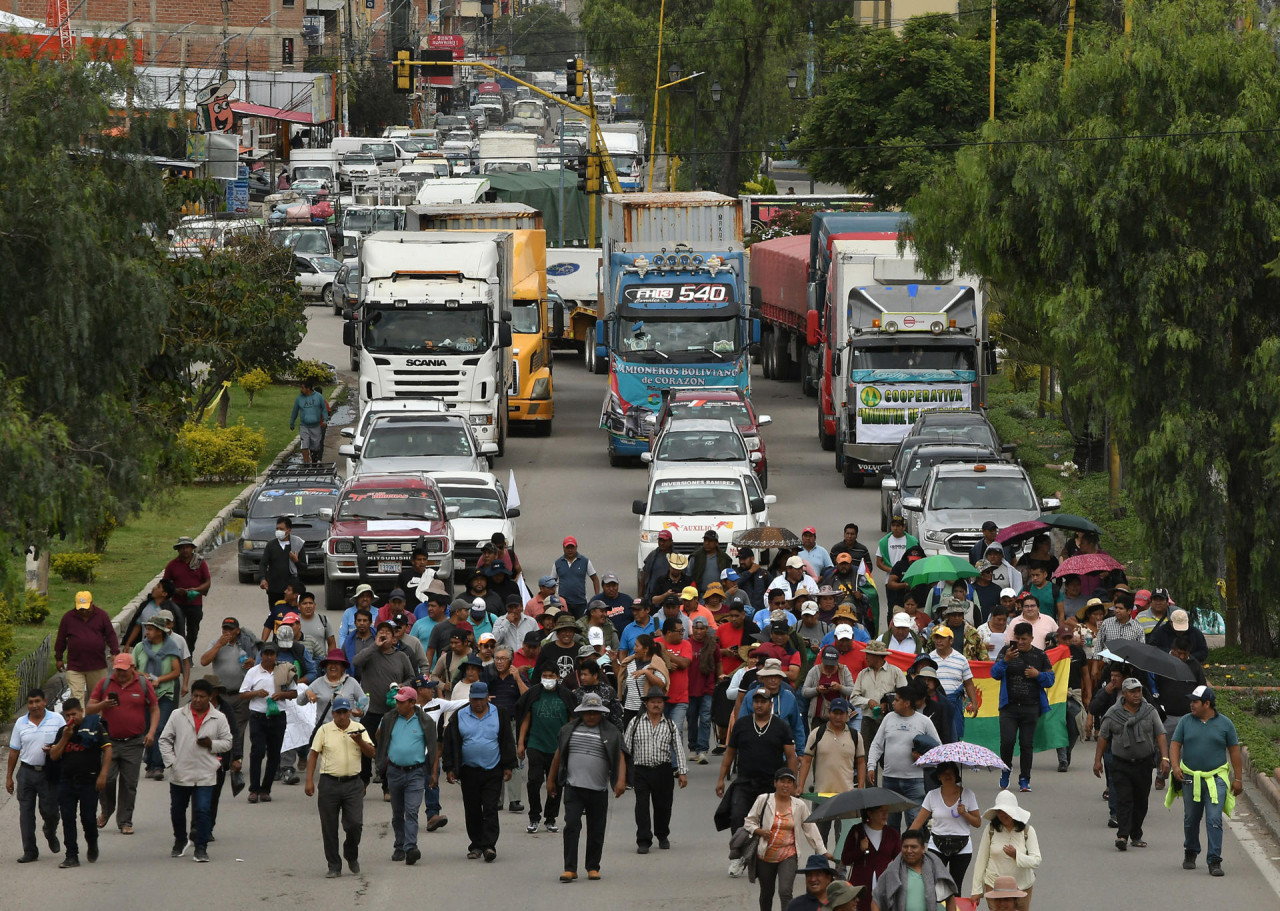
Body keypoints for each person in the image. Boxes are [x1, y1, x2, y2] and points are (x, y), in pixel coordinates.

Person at [547, 692, 627, 882]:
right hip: (574, 787)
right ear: (582, 712)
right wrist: (551, 780)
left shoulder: (611, 732)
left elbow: (621, 755)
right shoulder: (569, 730)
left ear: (601, 713)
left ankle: (593, 866)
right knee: (572, 825)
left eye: (595, 712)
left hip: (598, 789)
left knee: (597, 829)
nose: (591, 716)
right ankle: (570, 868)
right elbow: (559, 755)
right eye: (588, 712)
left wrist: (621, 780)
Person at [1170, 685, 1243, 877]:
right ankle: (1191, 850)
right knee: (1191, 819)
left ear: (1207, 703)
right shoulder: (1186, 722)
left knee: (1214, 819)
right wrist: (1176, 767)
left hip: (1216, 779)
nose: (1191, 705)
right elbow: (1175, 744)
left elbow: (1234, 751)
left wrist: (1239, 779)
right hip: (1190, 779)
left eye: (1195, 701)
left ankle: (1214, 860)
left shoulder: (1225, 724)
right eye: (1191, 701)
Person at [441, 681, 517, 861]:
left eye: (482, 699)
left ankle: (489, 845)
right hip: (469, 770)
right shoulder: (459, 715)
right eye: (474, 699)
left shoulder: (499, 713)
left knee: (491, 808)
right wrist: (450, 768)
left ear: (487, 697)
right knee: (473, 809)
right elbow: (450, 743)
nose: (478, 703)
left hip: (493, 769)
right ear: (469, 698)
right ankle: (476, 845)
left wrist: (508, 766)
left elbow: (507, 740)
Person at [158, 677, 231, 863]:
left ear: (210, 697)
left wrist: (211, 744)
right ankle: (180, 840)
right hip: (180, 772)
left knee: (203, 811)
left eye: (202, 696)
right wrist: (171, 762)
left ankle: (201, 847)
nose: (197, 700)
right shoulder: (177, 715)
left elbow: (228, 742)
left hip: (206, 772)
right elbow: (164, 740)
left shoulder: (219, 718)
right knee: (178, 810)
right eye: (195, 696)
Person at [85, 653, 158, 835]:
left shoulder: (142, 683)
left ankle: (125, 820)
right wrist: (103, 704)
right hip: (109, 742)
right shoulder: (105, 683)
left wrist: (151, 732)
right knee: (106, 779)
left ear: (133, 668)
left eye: (124, 670)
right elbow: (89, 708)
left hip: (134, 742)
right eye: (118, 670)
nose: (121, 674)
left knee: (129, 783)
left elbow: (154, 708)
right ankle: (107, 809)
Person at [1093, 677, 1167, 850]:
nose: (1136, 695)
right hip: (1121, 764)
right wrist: (1097, 760)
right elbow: (1103, 737)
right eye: (1132, 692)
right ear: (1124, 694)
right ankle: (1122, 835)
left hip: (1144, 763)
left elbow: (1160, 734)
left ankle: (1136, 834)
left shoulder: (1150, 711)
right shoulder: (1112, 713)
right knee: (1124, 799)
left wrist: (1164, 758)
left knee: (1141, 801)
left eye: (1139, 691)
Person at [305, 696, 375, 877]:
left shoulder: (359, 729)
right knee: (329, 827)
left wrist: (359, 741)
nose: (342, 716)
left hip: (353, 783)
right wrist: (309, 780)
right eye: (339, 713)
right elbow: (313, 754)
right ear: (333, 713)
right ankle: (334, 865)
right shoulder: (325, 730)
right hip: (329, 783)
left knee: (355, 824)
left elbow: (372, 753)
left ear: (350, 712)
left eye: (345, 712)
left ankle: (350, 853)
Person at [743, 767, 829, 911]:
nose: (786, 785)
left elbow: (810, 828)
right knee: (766, 893)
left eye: (790, 782)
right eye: (783, 781)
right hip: (766, 855)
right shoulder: (764, 800)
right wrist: (760, 831)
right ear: (775, 783)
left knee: (785, 892)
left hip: (789, 854)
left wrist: (822, 851)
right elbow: (748, 822)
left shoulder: (799, 805)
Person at [717, 689, 799, 833]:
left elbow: (791, 756)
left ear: (770, 704)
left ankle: (762, 853)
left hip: (771, 784)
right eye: (756, 702)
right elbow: (729, 753)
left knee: (768, 822)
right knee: (737, 818)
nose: (759, 705)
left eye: (763, 702)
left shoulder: (781, 726)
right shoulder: (742, 724)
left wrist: (792, 783)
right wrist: (721, 779)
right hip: (744, 783)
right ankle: (741, 850)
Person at [374, 685, 438, 865]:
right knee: (397, 813)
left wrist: (433, 773)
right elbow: (379, 737)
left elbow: (433, 748)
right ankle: (399, 845)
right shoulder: (389, 718)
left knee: (411, 811)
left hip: (416, 772)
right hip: (394, 771)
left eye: (401, 702)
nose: (398, 705)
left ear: (412, 703)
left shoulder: (425, 721)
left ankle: (411, 848)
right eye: (397, 701)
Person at [624, 686, 688, 853]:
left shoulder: (670, 724)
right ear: (646, 704)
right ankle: (644, 840)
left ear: (663, 705)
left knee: (663, 806)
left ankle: (662, 835)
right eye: (653, 702)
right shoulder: (635, 722)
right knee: (642, 806)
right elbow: (626, 749)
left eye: (659, 702)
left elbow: (678, 748)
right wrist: (623, 773)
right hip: (641, 771)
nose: (656, 705)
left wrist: (682, 772)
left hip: (663, 771)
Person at [991, 623, 1054, 792]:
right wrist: (1005, 661)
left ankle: (1025, 778)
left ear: (1032, 639)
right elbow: (994, 674)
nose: (1019, 642)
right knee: (1007, 741)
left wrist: (1037, 675)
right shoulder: (1006, 651)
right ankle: (1005, 770)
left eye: (1024, 639)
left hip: (1031, 707)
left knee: (1027, 744)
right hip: (1008, 707)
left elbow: (1051, 679)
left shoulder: (1040, 655)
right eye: (1017, 638)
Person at [48, 697, 110, 868]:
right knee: (68, 818)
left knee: (88, 818)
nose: (71, 719)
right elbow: (54, 756)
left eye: (74, 714)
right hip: (67, 781)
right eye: (67, 715)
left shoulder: (94, 726)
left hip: (89, 781)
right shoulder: (63, 731)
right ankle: (71, 855)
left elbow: (108, 749)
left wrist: (103, 774)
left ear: (81, 712)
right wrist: (65, 738)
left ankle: (92, 841)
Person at [866, 685, 939, 827]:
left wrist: (923, 759)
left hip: (914, 782)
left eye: (897, 700)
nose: (892, 703)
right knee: (891, 825)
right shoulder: (888, 718)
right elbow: (876, 745)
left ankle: (914, 849)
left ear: (907, 703)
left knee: (915, 824)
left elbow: (938, 750)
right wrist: (871, 766)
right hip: (890, 780)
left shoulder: (924, 722)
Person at [7, 689, 64, 863]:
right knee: (26, 813)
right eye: (30, 702)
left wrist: (54, 750)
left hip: (49, 773)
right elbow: (14, 750)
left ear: (45, 702)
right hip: (26, 773)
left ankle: (50, 831)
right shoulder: (20, 723)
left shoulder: (57, 719)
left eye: (37, 701)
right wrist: (9, 776)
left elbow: (65, 743)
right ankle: (30, 851)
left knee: (51, 812)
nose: (34, 706)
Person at [517, 667, 576, 833]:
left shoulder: (565, 696)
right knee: (534, 781)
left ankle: (551, 818)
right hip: (536, 744)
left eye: (551, 675)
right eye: (545, 675)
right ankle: (534, 816)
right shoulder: (534, 694)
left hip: (558, 748)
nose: (548, 678)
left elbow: (572, 720)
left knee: (556, 784)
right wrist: (521, 743)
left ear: (557, 677)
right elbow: (526, 719)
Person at [797, 698, 866, 839]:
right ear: (829, 713)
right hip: (821, 796)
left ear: (847, 715)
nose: (838, 717)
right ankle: (820, 862)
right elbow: (806, 761)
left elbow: (861, 762)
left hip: (846, 796)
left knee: (845, 840)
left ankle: (841, 863)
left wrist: (860, 786)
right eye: (835, 713)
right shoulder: (817, 733)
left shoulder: (855, 736)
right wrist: (800, 786)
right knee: (819, 840)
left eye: (842, 713)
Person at [239, 642, 297, 803]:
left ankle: (265, 789)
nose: (269, 657)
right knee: (257, 752)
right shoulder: (253, 672)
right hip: (258, 717)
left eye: (272, 654)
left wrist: (281, 695)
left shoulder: (284, 670)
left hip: (278, 717)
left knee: (274, 754)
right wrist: (256, 693)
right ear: (261, 655)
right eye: (266, 654)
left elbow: (294, 693)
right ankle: (254, 789)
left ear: (276, 655)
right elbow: (242, 694)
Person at [909, 761, 981, 886]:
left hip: (962, 847)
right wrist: (906, 841)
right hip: (936, 845)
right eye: (944, 773)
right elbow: (918, 821)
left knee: (955, 887)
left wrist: (965, 813)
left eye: (951, 773)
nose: (948, 776)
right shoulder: (932, 795)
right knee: (935, 886)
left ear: (956, 776)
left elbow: (977, 822)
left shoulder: (968, 795)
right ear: (938, 776)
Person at [133, 613, 183, 780]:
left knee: (160, 728)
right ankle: (149, 763)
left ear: (160, 631)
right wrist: (144, 676)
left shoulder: (171, 648)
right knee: (147, 729)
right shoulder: (140, 647)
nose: (147, 632)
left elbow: (176, 671)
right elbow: (131, 669)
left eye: (151, 629)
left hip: (164, 694)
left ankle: (158, 766)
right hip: (144, 695)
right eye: (147, 628)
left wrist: (159, 679)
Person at [970, 791, 1040, 911]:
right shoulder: (990, 830)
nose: (1003, 815)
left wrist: (1016, 855)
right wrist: (976, 890)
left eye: (1007, 812)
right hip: (994, 888)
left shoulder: (1027, 831)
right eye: (1000, 812)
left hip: (1022, 888)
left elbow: (1036, 861)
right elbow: (981, 860)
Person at [54, 590, 120, 704]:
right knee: (76, 696)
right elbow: (61, 639)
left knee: (97, 697)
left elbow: (110, 635)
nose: (83, 611)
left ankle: (96, 721)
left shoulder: (102, 615)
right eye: (80, 608)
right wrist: (58, 658)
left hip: (97, 666)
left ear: (92, 603)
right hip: (75, 666)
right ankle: (79, 721)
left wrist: (115, 652)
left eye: (86, 607)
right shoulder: (68, 618)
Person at [870, 828, 957, 911]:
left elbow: (950, 898)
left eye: (913, 847)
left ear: (923, 849)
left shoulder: (934, 868)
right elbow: (876, 899)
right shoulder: (893, 870)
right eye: (905, 847)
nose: (909, 850)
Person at [842, 805, 900, 911]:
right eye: (881, 811)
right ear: (870, 813)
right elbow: (845, 859)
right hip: (860, 888)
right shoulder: (857, 831)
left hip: (885, 888)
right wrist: (860, 850)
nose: (885, 814)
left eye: (886, 811)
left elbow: (900, 861)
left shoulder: (892, 834)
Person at [850, 640, 906, 748]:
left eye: (869, 654)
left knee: (888, 754)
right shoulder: (862, 674)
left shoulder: (896, 672)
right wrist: (868, 701)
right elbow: (853, 698)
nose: (866, 657)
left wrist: (889, 704)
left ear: (878, 656)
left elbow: (905, 696)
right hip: (868, 722)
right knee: (866, 753)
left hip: (890, 721)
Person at [929, 626, 980, 740]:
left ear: (951, 640)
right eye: (936, 638)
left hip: (954, 704)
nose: (938, 641)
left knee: (953, 738)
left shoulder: (961, 659)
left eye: (942, 638)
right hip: (934, 703)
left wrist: (974, 703)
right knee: (934, 737)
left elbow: (969, 683)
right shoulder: (929, 659)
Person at [164, 536, 211, 651]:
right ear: (178, 550)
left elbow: (208, 582)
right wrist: (175, 590)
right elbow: (165, 584)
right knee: (177, 631)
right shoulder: (172, 565)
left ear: (192, 549)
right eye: (182, 548)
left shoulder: (200, 563)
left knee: (193, 632)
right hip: (177, 603)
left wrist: (196, 589)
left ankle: (188, 654)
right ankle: (178, 655)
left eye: (187, 547)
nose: (185, 550)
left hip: (195, 603)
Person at [802, 646, 856, 728]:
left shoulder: (844, 670)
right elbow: (804, 691)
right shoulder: (814, 670)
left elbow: (852, 690)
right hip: (818, 717)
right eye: (826, 664)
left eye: (832, 665)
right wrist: (817, 690)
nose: (829, 667)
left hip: (839, 717)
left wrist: (840, 688)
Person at [258, 516, 303, 610]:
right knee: (276, 617)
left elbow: (304, 568)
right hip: (274, 590)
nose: (278, 531)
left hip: (291, 591)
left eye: (281, 529)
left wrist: (296, 561)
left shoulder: (297, 545)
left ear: (289, 530)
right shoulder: (271, 545)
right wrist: (263, 579)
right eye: (277, 529)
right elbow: (263, 564)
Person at [554, 536, 600, 617]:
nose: (570, 550)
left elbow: (595, 579)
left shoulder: (585, 561)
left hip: (581, 603)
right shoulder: (558, 563)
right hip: (564, 604)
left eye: (572, 547)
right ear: (563, 548)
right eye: (567, 547)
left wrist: (596, 597)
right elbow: (552, 581)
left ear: (576, 547)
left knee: (581, 627)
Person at [289, 379, 329, 464]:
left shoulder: (318, 397)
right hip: (304, 426)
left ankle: (314, 461)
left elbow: (324, 409)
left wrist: (325, 420)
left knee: (315, 447)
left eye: (303, 388)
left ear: (308, 388)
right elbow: (295, 411)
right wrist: (292, 422)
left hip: (316, 426)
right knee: (304, 445)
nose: (301, 389)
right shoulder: (299, 399)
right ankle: (306, 464)